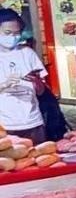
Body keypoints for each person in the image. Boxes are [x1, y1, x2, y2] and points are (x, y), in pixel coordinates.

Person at [0, 9, 47, 144]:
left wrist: (37, 83)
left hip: (33, 122)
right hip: (5, 126)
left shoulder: (28, 53)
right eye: (8, 33)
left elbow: (41, 91)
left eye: (17, 33)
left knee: (40, 160)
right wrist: (5, 85)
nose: (13, 37)